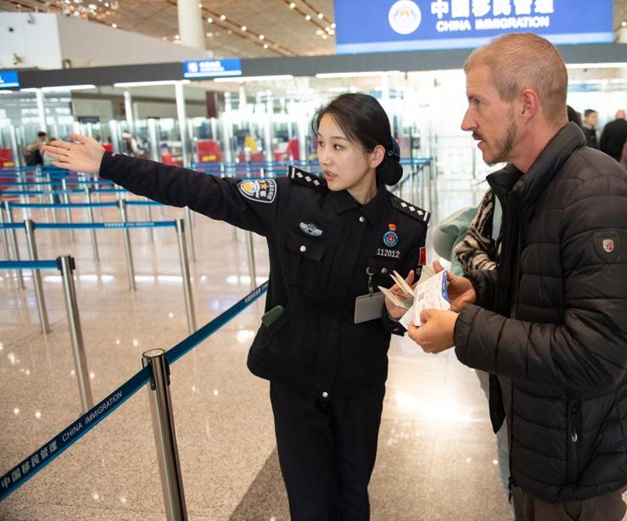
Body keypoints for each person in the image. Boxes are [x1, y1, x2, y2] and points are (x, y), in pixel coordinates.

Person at [46, 93, 429, 520]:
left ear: (375, 154)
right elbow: (199, 190)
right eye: (320, 143)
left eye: (338, 146)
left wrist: (399, 314)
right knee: (311, 506)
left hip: (358, 388)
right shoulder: (290, 200)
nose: (324, 157)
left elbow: (399, 310)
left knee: (354, 499)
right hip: (296, 384)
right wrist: (107, 164)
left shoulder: (405, 226)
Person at [403, 33, 627, 520]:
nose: (466, 122)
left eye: (477, 103)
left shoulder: (598, 195)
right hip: (549, 437)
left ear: (526, 104)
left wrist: (463, 331)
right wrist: (478, 290)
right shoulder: (536, 186)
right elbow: (545, 291)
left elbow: (596, 353)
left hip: (580, 461)